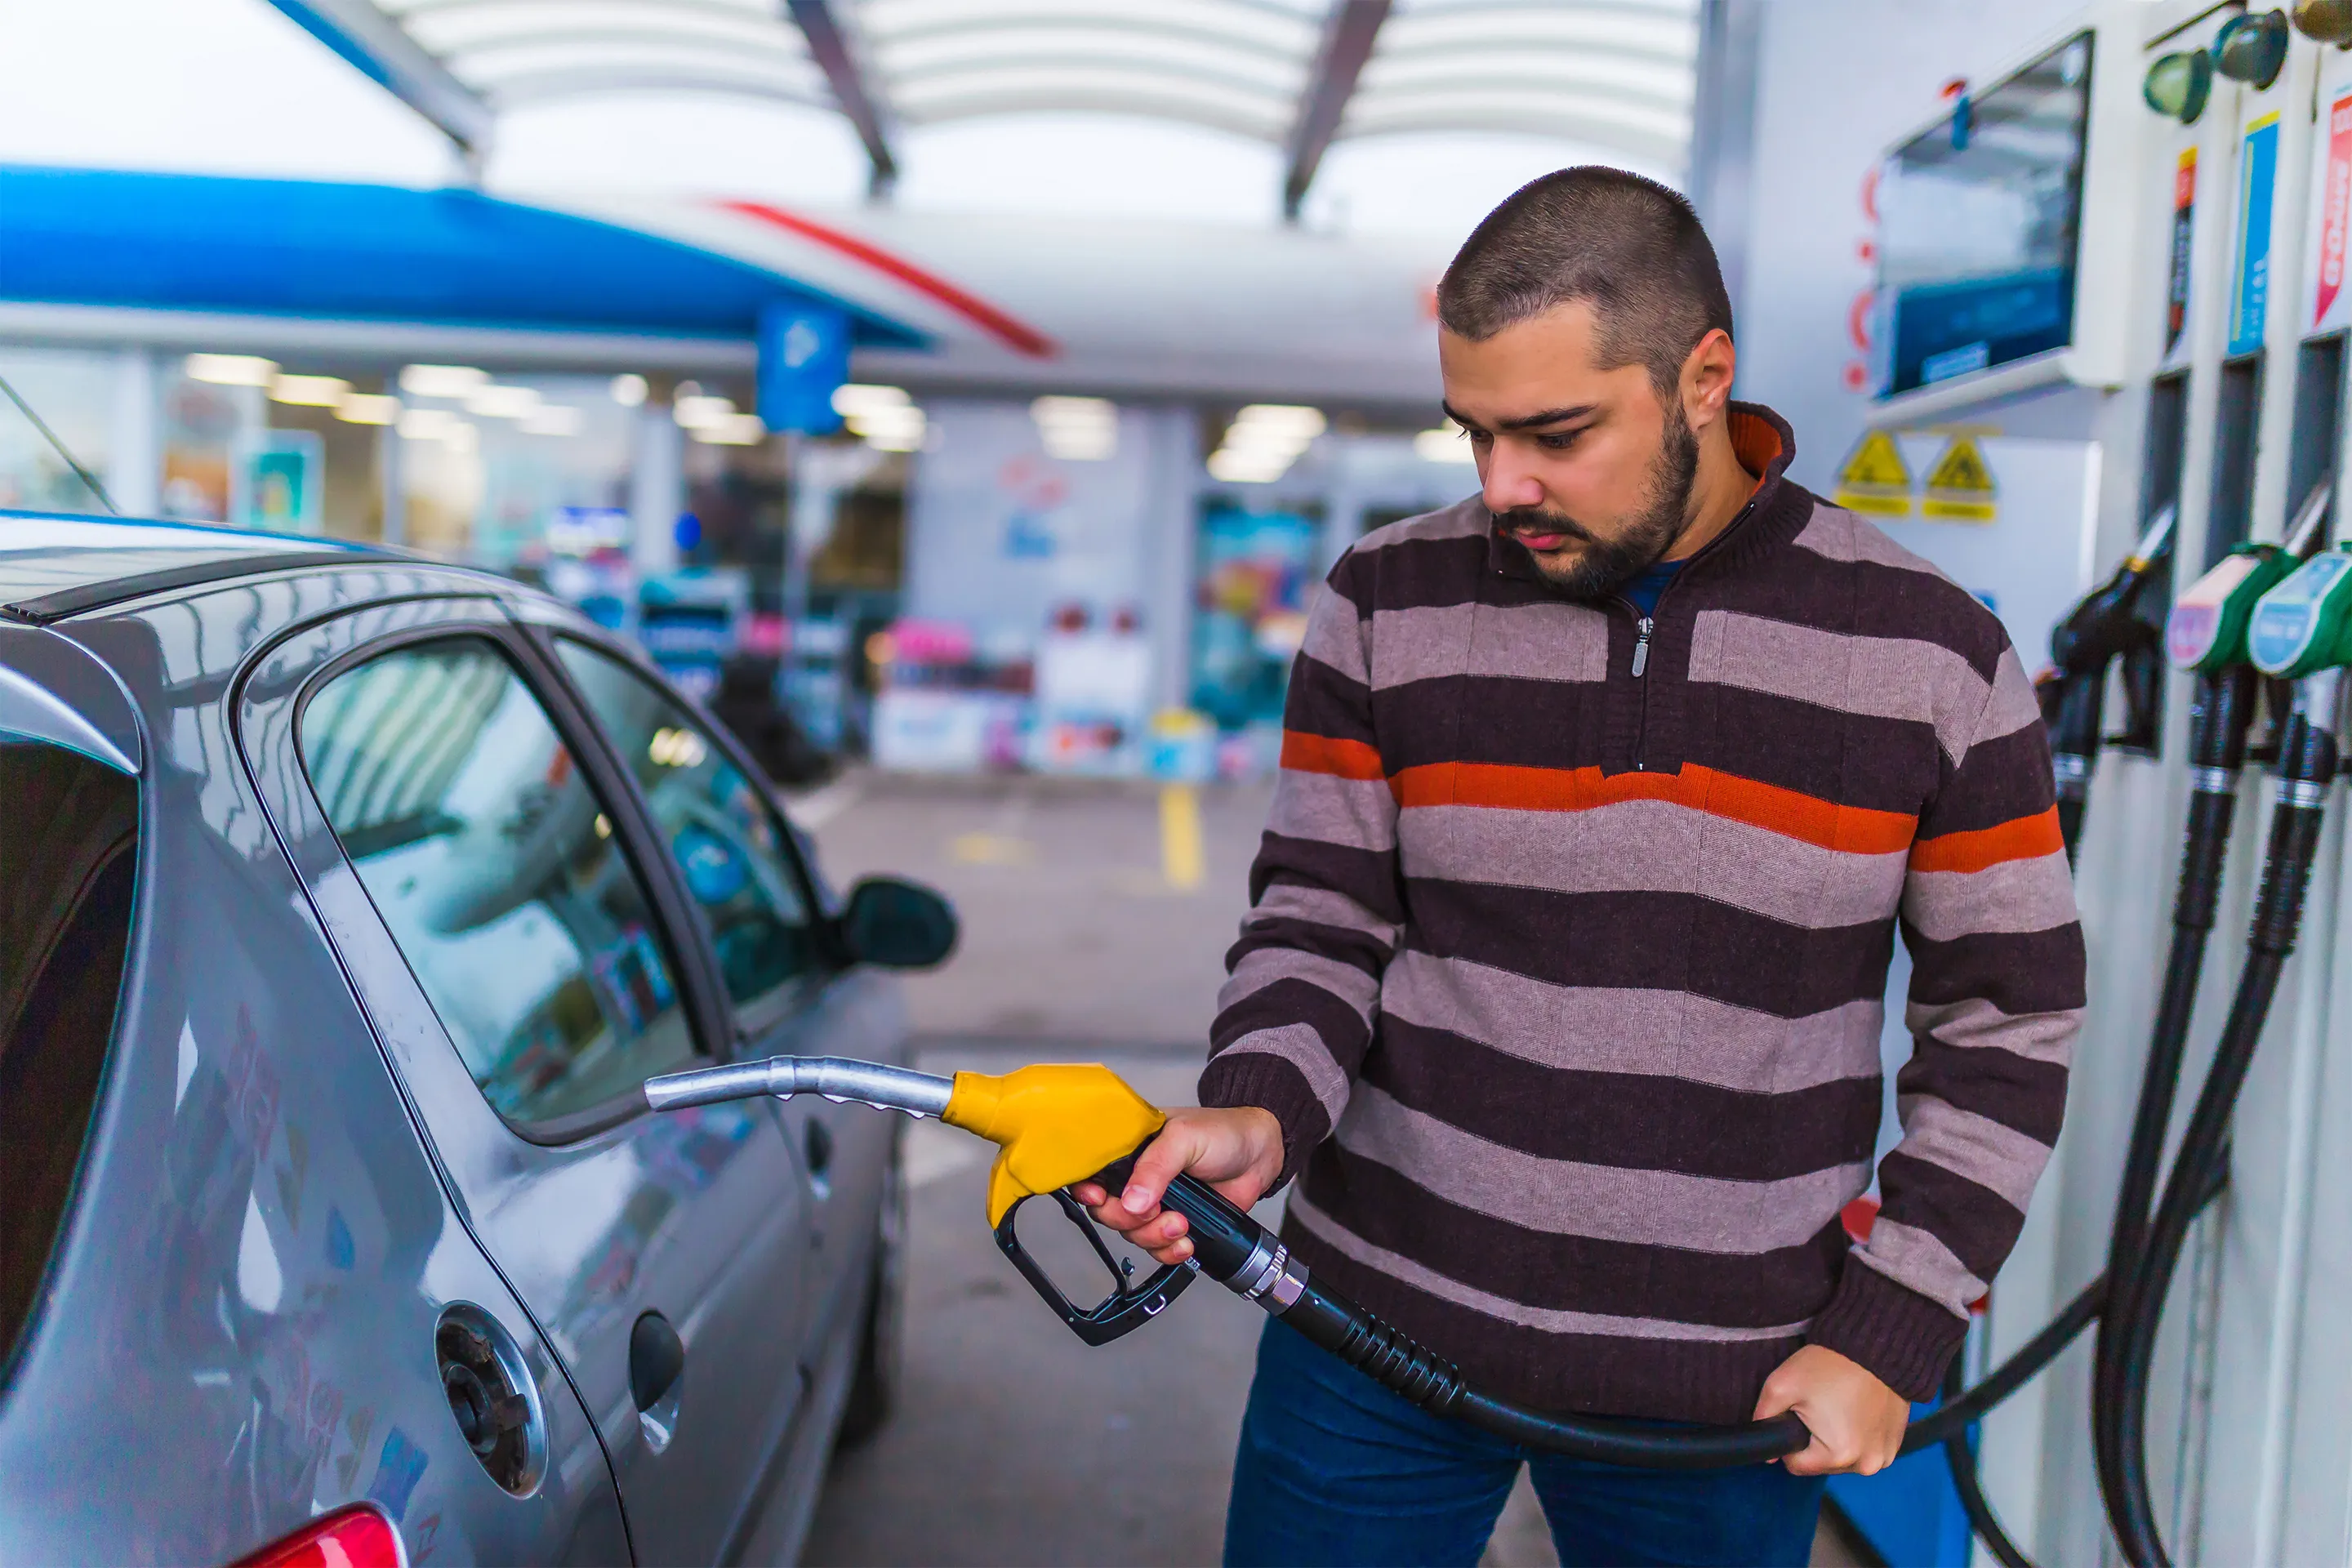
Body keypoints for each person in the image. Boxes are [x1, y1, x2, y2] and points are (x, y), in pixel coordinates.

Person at [1074, 167, 2082, 1568]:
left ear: (1703, 379)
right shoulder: (1386, 601)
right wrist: (1260, 1113)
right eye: (1475, 435)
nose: (1503, 489)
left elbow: (2007, 1019)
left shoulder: (1932, 658)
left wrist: (1894, 1324)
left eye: (1555, 433)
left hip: (1726, 1385)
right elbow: (1322, 914)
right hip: (1367, 1335)